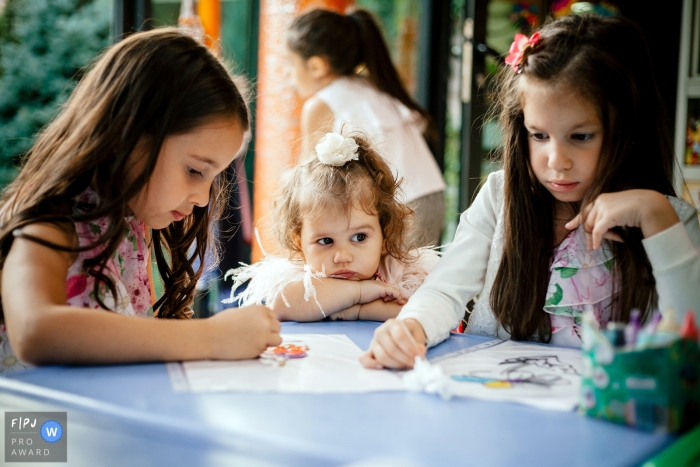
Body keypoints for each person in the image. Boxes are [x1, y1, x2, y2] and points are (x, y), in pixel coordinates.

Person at [360, 14, 700, 369]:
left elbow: (690, 344)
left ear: (625, 129)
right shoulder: (500, 196)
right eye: (539, 135)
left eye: (580, 136)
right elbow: (446, 290)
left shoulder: (669, 219)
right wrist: (411, 328)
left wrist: (656, 217)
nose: (557, 161)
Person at [0, 28, 281, 369]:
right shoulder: (52, 221)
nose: (205, 199)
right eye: (195, 170)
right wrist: (211, 337)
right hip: (33, 421)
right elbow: (35, 331)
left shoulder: (129, 220)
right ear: (128, 135)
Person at [225, 132, 441, 322]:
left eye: (359, 238)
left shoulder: (400, 273)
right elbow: (282, 304)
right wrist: (358, 293)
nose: (342, 256)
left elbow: (427, 313)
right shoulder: (304, 276)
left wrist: (356, 311)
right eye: (325, 241)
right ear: (300, 244)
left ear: (385, 235)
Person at [286, 8, 447, 248]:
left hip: (400, 209)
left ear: (317, 66)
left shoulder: (320, 104)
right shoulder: (372, 87)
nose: (289, 76)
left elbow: (307, 185)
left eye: (291, 64)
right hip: (431, 197)